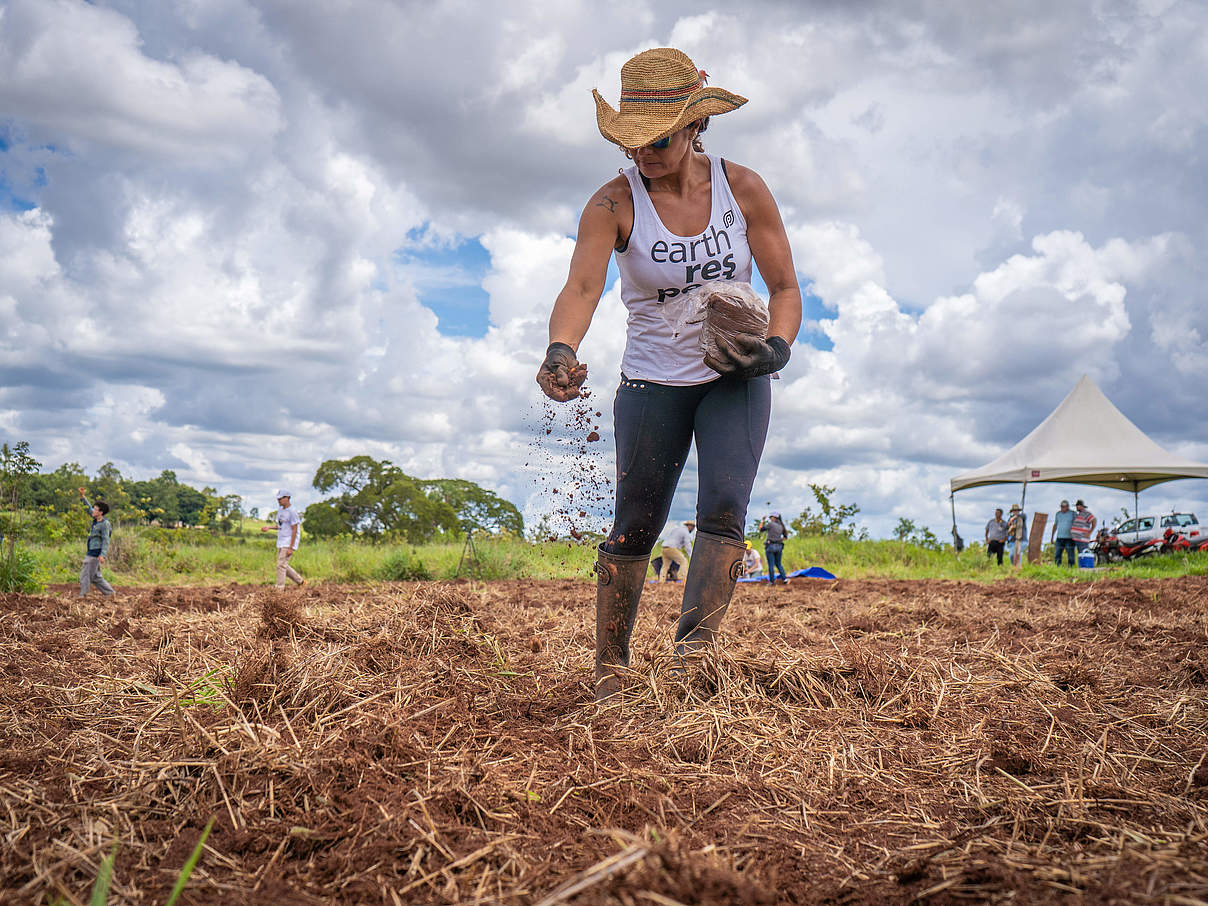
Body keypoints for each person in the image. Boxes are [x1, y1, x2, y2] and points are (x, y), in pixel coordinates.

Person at [536, 47, 802, 700]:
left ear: (693, 127)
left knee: (723, 510)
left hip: (734, 375)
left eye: (657, 141)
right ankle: (610, 670)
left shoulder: (743, 190)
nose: (643, 155)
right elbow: (581, 287)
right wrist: (559, 350)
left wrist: (777, 347)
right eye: (631, 142)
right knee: (635, 523)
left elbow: (786, 287)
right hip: (652, 382)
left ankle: (693, 666)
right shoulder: (611, 203)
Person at [261, 489, 305, 589]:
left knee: (281, 565)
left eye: (281, 498)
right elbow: (280, 525)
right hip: (281, 541)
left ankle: (279, 588)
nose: (279, 500)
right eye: (278, 499)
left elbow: (295, 529)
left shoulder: (292, 512)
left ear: (287, 498)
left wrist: (291, 547)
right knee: (283, 565)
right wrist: (269, 528)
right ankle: (301, 582)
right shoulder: (280, 510)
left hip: (288, 542)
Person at [76, 487, 115, 597]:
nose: (93, 510)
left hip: (95, 552)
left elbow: (106, 539)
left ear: (101, 512)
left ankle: (83, 596)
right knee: (95, 576)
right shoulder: (95, 520)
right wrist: (82, 497)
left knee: (85, 574)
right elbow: (88, 508)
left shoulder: (105, 524)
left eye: (95, 509)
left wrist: (103, 554)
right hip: (91, 550)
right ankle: (110, 594)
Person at [758, 513, 790, 583]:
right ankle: (785, 579)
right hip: (779, 547)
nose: (770, 519)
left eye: (771, 517)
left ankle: (772, 581)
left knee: (771, 565)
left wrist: (762, 520)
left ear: (774, 518)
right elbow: (785, 537)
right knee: (778, 564)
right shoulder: (781, 526)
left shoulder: (770, 524)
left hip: (771, 546)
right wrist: (778, 540)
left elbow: (760, 529)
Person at [1050, 499, 1076, 565]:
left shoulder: (1072, 513)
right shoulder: (1058, 514)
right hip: (1059, 538)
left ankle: (1071, 569)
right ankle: (1058, 569)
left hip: (1069, 538)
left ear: (1067, 507)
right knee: (1057, 555)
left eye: (1064, 506)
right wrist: (1052, 537)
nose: (1063, 508)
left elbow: (1077, 524)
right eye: (1061, 506)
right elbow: (1055, 525)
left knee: (1071, 556)